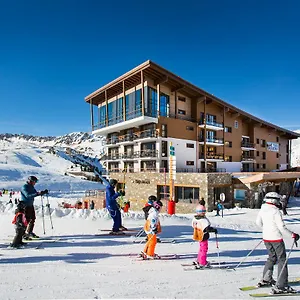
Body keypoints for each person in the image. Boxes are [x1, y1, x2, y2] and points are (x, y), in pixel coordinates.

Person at [256, 192, 299, 294]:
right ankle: (282, 285)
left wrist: (267, 230)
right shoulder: (275, 211)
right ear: (273, 200)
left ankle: (266, 279)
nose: (279, 202)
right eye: (278, 200)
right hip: (276, 239)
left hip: (266, 238)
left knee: (272, 258)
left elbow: (258, 223)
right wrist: (293, 235)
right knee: (282, 260)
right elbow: (281, 228)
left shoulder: (263, 209)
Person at [192, 204, 218, 269]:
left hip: (198, 235)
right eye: (203, 212)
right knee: (204, 249)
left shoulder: (195, 219)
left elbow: (193, 225)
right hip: (203, 236)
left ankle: (199, 260)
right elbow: (207, 229)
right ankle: (203, 262)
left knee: (201, 248)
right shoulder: (203, 220)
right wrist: (213, 230)